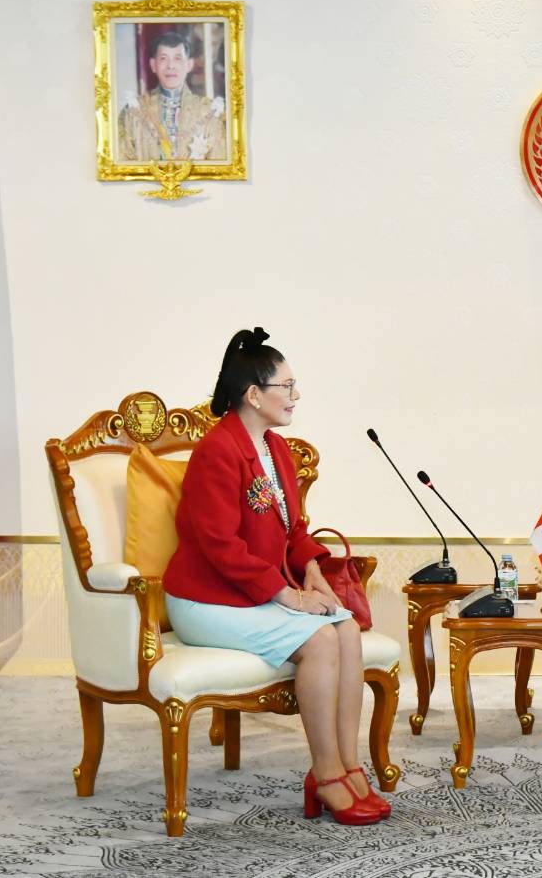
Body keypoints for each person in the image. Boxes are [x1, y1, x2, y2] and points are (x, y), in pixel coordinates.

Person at [162, 328, 388, 826]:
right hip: (207, 602)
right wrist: (288, 596)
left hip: (252, 593)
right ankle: (325, 773)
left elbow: (295, 530)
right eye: (286, 386)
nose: (295, 396)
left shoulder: (277, 450)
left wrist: (313, 574)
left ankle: (349, 766)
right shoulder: (216, 452)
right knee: (321, 642)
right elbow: (221, 547)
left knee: (346, 629)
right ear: (254, 394)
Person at [117, 29, 228, 163]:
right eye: (163, 58)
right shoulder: (133, 112)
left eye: (177, 58)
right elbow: (122, 163)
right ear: (153, 65)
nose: (170, 66)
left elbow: (220, 165)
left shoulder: (210, 112)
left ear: (189, 65)